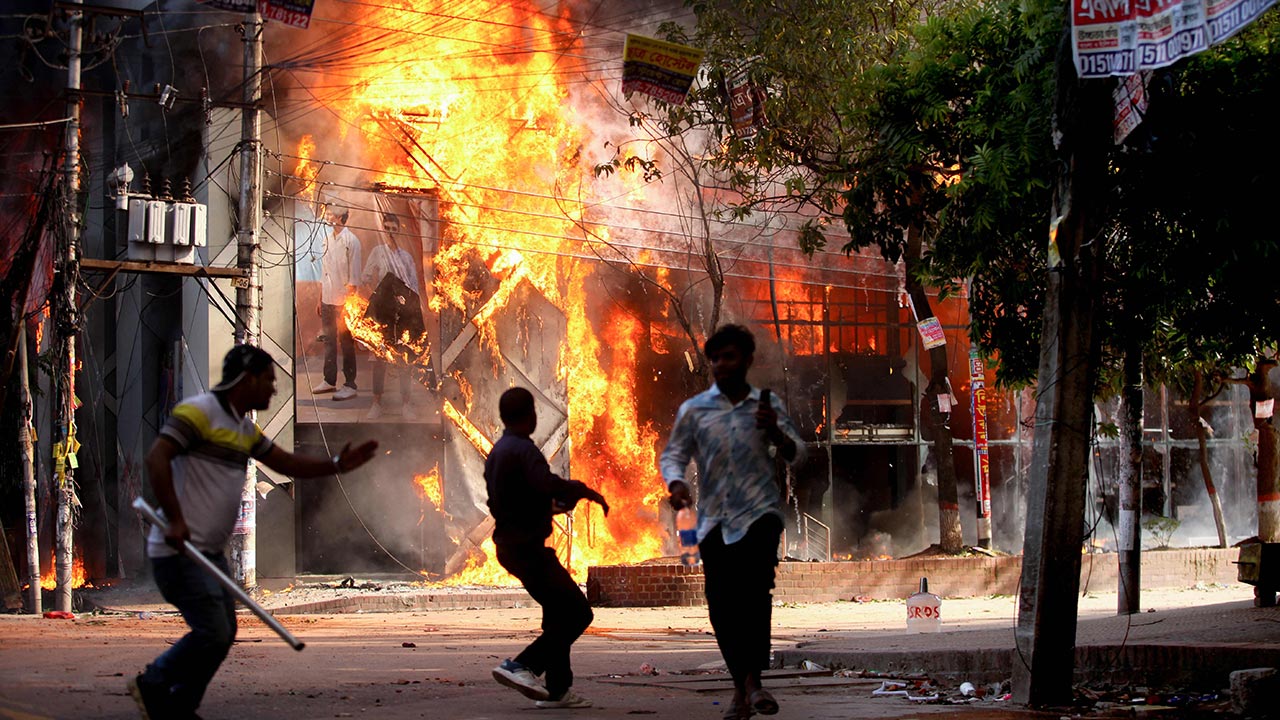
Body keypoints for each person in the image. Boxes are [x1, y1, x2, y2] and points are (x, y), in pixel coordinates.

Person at [129, 345, 379, 719]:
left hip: (208, 552)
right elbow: (157, 458)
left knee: (223, 630)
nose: (273, 390)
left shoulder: (244, 429)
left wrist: (337, 465)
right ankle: (155, 681)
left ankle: (179, 705)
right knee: (213, 631)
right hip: (179, 550)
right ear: (247, 379)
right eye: (268, 381)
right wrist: (177, 520)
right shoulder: (198, 413)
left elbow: (287, 462)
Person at [659, 324, 807, 719]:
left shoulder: (766, 405)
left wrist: (775, 432)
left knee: (755, 597)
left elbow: (798, 453)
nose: (721, 365)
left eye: (729, 357)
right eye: (716, 358)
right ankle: (743, 688)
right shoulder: (694, 411)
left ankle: (752, 684)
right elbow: (673, 455)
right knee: (722, 606)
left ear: (747, 361)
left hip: (760, 515)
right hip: (713, 521)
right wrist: (675, 483)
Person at [486, 387, 610, 710]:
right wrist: (582, 490)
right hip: (527, 549)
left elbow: (512, 500)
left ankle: (558, 690)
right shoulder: (524, 451)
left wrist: (548, 508)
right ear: (531, 415)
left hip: (511, 546)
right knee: (579, 612)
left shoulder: (498, 452)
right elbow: (546, 485)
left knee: (557, 612)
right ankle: (522, 665)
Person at [361, 213, 427, 421]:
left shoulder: (405, 257)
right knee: (379, 359)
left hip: (402, 316)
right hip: (382, 315)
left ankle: (406, 404)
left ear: (399, 230)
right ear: (383, 229)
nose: (390, 232)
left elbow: (413, 287)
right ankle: (376, 403)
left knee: (403, 358)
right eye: (387, 228)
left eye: (393, 228)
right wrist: (377, 297)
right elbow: (366, 278)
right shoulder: (377, 252)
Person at [312, 206, 362, 401]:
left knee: (346, 344)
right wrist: (320, 299)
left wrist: (347, 307)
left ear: (341, 217)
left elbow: (354, 278)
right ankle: (329, 380)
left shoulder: (352, 241)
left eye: (331, 213)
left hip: (344, 303)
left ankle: (350, 384)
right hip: (327, 300)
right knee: (329, 341)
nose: (327, 216)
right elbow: (324, 274)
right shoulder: (327, 240)